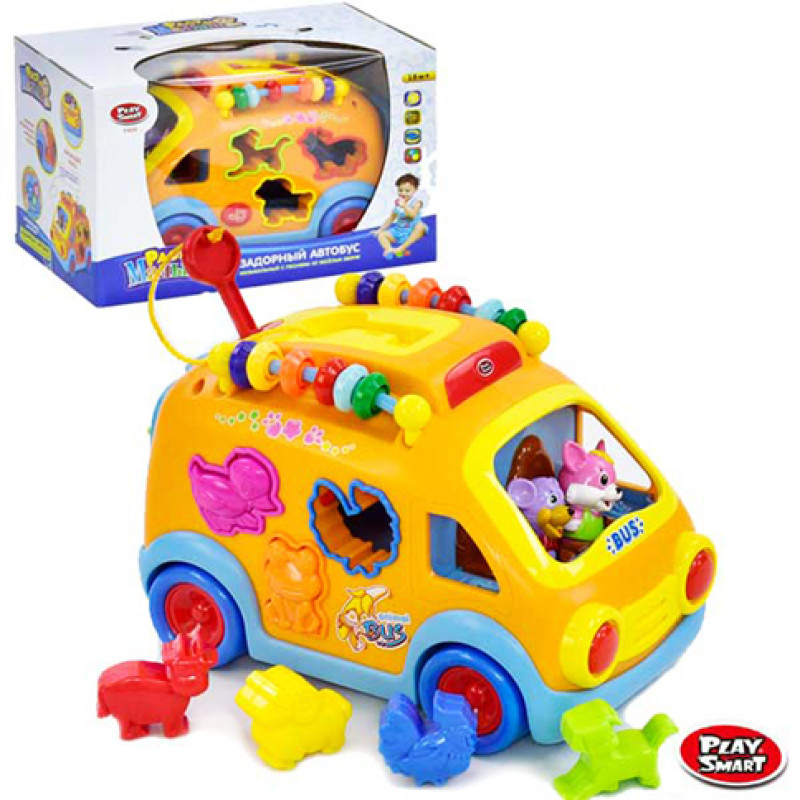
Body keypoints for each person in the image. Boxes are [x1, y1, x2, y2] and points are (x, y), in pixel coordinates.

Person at [376, 174, 428, 257]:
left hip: (412, 230)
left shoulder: (417, 202)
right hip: (399, 231)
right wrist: (380, 230)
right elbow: (391, 219)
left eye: (407, 191)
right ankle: (389, 249)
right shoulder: (398, 204)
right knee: (381, 235)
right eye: (400, 190)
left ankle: (401, 248)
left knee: (421, 227)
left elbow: (412, 216)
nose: (403, 193)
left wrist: (404, 206)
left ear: (415, 190)